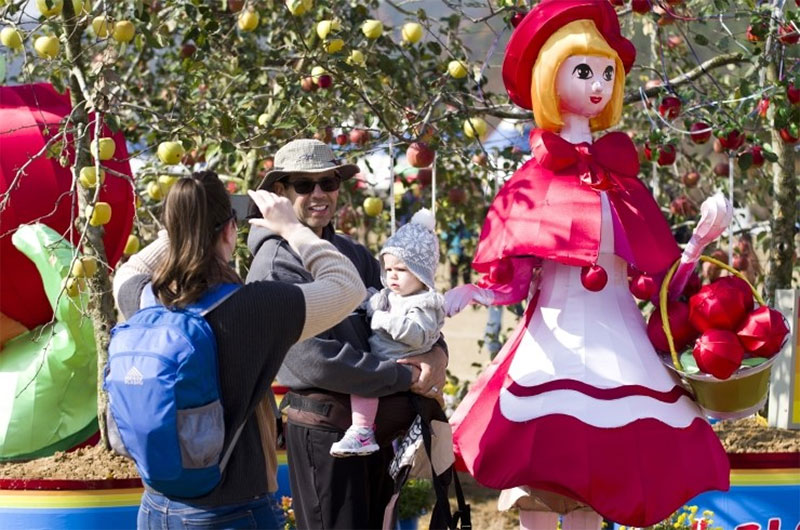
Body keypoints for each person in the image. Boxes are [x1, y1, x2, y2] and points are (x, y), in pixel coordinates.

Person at [443, 2, 730, 529]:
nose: (597, 85)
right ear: (551, 76)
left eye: (605, 73)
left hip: (618, 346)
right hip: (553, 344)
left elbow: (662, 290)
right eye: (583, 71)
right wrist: (476, 294)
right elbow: (514, 279)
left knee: (602, 478)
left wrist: (698, 242)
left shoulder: (626, 182)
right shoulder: (532, 180)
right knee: (538, 474)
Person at [112, 170, 366, 529]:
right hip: (232, 513)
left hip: (156, 509)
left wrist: (184, 227)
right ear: (230, 230)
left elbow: (130, 269)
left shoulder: (141, 299)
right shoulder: (255, 307)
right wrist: (292, 229)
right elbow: (347, 286)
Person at [246, 138, 448, 529]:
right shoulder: (275, 265)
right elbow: (310, 360)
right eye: (304, 185)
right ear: (281, 194)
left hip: (377, 429)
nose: (319, 194)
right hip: (327, 434)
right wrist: (403, 376)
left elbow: (410, 306)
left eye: (329, 182)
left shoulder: (353, 254)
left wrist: (436, 353)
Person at [330, 209, 445, 457]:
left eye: (401, 270)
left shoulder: (423, 303)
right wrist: (365, 302)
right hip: (387, 360)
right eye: (388, 268)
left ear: (422, 274)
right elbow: (373, 301)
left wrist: (381, 319)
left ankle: (362, 431)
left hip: (399, 361)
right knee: (366, 384)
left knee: (365, 383)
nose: (392, 275)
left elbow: (416, 334)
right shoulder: (392, 295)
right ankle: (365, 432)